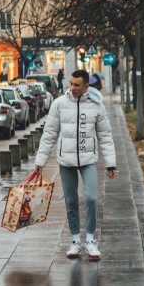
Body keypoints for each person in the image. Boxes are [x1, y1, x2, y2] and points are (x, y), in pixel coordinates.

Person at [34, 70, 117, 261]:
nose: (72, 88)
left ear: (86, 86)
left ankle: (90, 240)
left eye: (77, 85)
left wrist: (111, 164)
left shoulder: (96, 106)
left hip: (89, 160)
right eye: (71, 84)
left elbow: (105, 136)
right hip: (66, 161)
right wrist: (40, 161)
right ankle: (75, 241)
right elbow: (49, 134)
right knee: (71, 201)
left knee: (92, 198)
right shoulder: (59, 104)